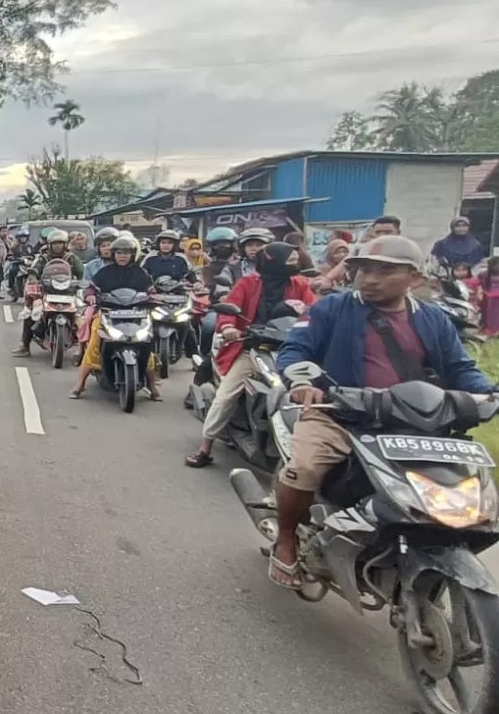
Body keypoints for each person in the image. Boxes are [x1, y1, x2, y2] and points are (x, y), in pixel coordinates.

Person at [269, 235, 496, 588]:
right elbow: (294, 353)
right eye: (363, 269)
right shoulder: (330, 308)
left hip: (416, 422)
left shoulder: (433, 319)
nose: (370, 278)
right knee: (304, 468)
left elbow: (461, 368)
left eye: (385, 271)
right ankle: (285, 539)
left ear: (414, 278)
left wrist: (489, 393)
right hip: (339, 414)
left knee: (459, 490)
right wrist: (303, 383)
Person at [183, 242, 315, 468]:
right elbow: (229, 312)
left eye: (295, 260)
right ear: (273, 261)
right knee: (226, 395)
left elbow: (315, 311)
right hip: (251, 348)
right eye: (290, 260)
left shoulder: (300, 285)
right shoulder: (248, 283)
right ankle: (205, 447)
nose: (294, 264)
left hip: (289, 351)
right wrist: (228, 329)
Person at [69, 232, 161, 401]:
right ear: (113, 254)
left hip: (136, 314)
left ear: (133, 255)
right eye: (119, 253)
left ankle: (152, 386)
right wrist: (90, 296)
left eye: (126, 253)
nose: (122, 256)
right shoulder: (105, 272)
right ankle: (80, 384)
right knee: (94, 344)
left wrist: (154, 297)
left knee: (147, 346)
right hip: (107, 313)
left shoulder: (141, 272)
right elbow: (91, 288)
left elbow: (151, 290)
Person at [12, 229, 74, 357]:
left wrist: (80, 283)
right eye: (55, 243)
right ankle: (25, 345)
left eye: (60, 243)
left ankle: (83, 350)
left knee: (84, 316)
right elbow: (34, 269)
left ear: (65, 244)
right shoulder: (43, 258)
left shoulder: (72, 258)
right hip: (46, 292)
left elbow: (81, 272)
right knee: (30, 313)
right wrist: (33, 277)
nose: (58, 246)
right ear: (50, 244)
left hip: (69, 293)